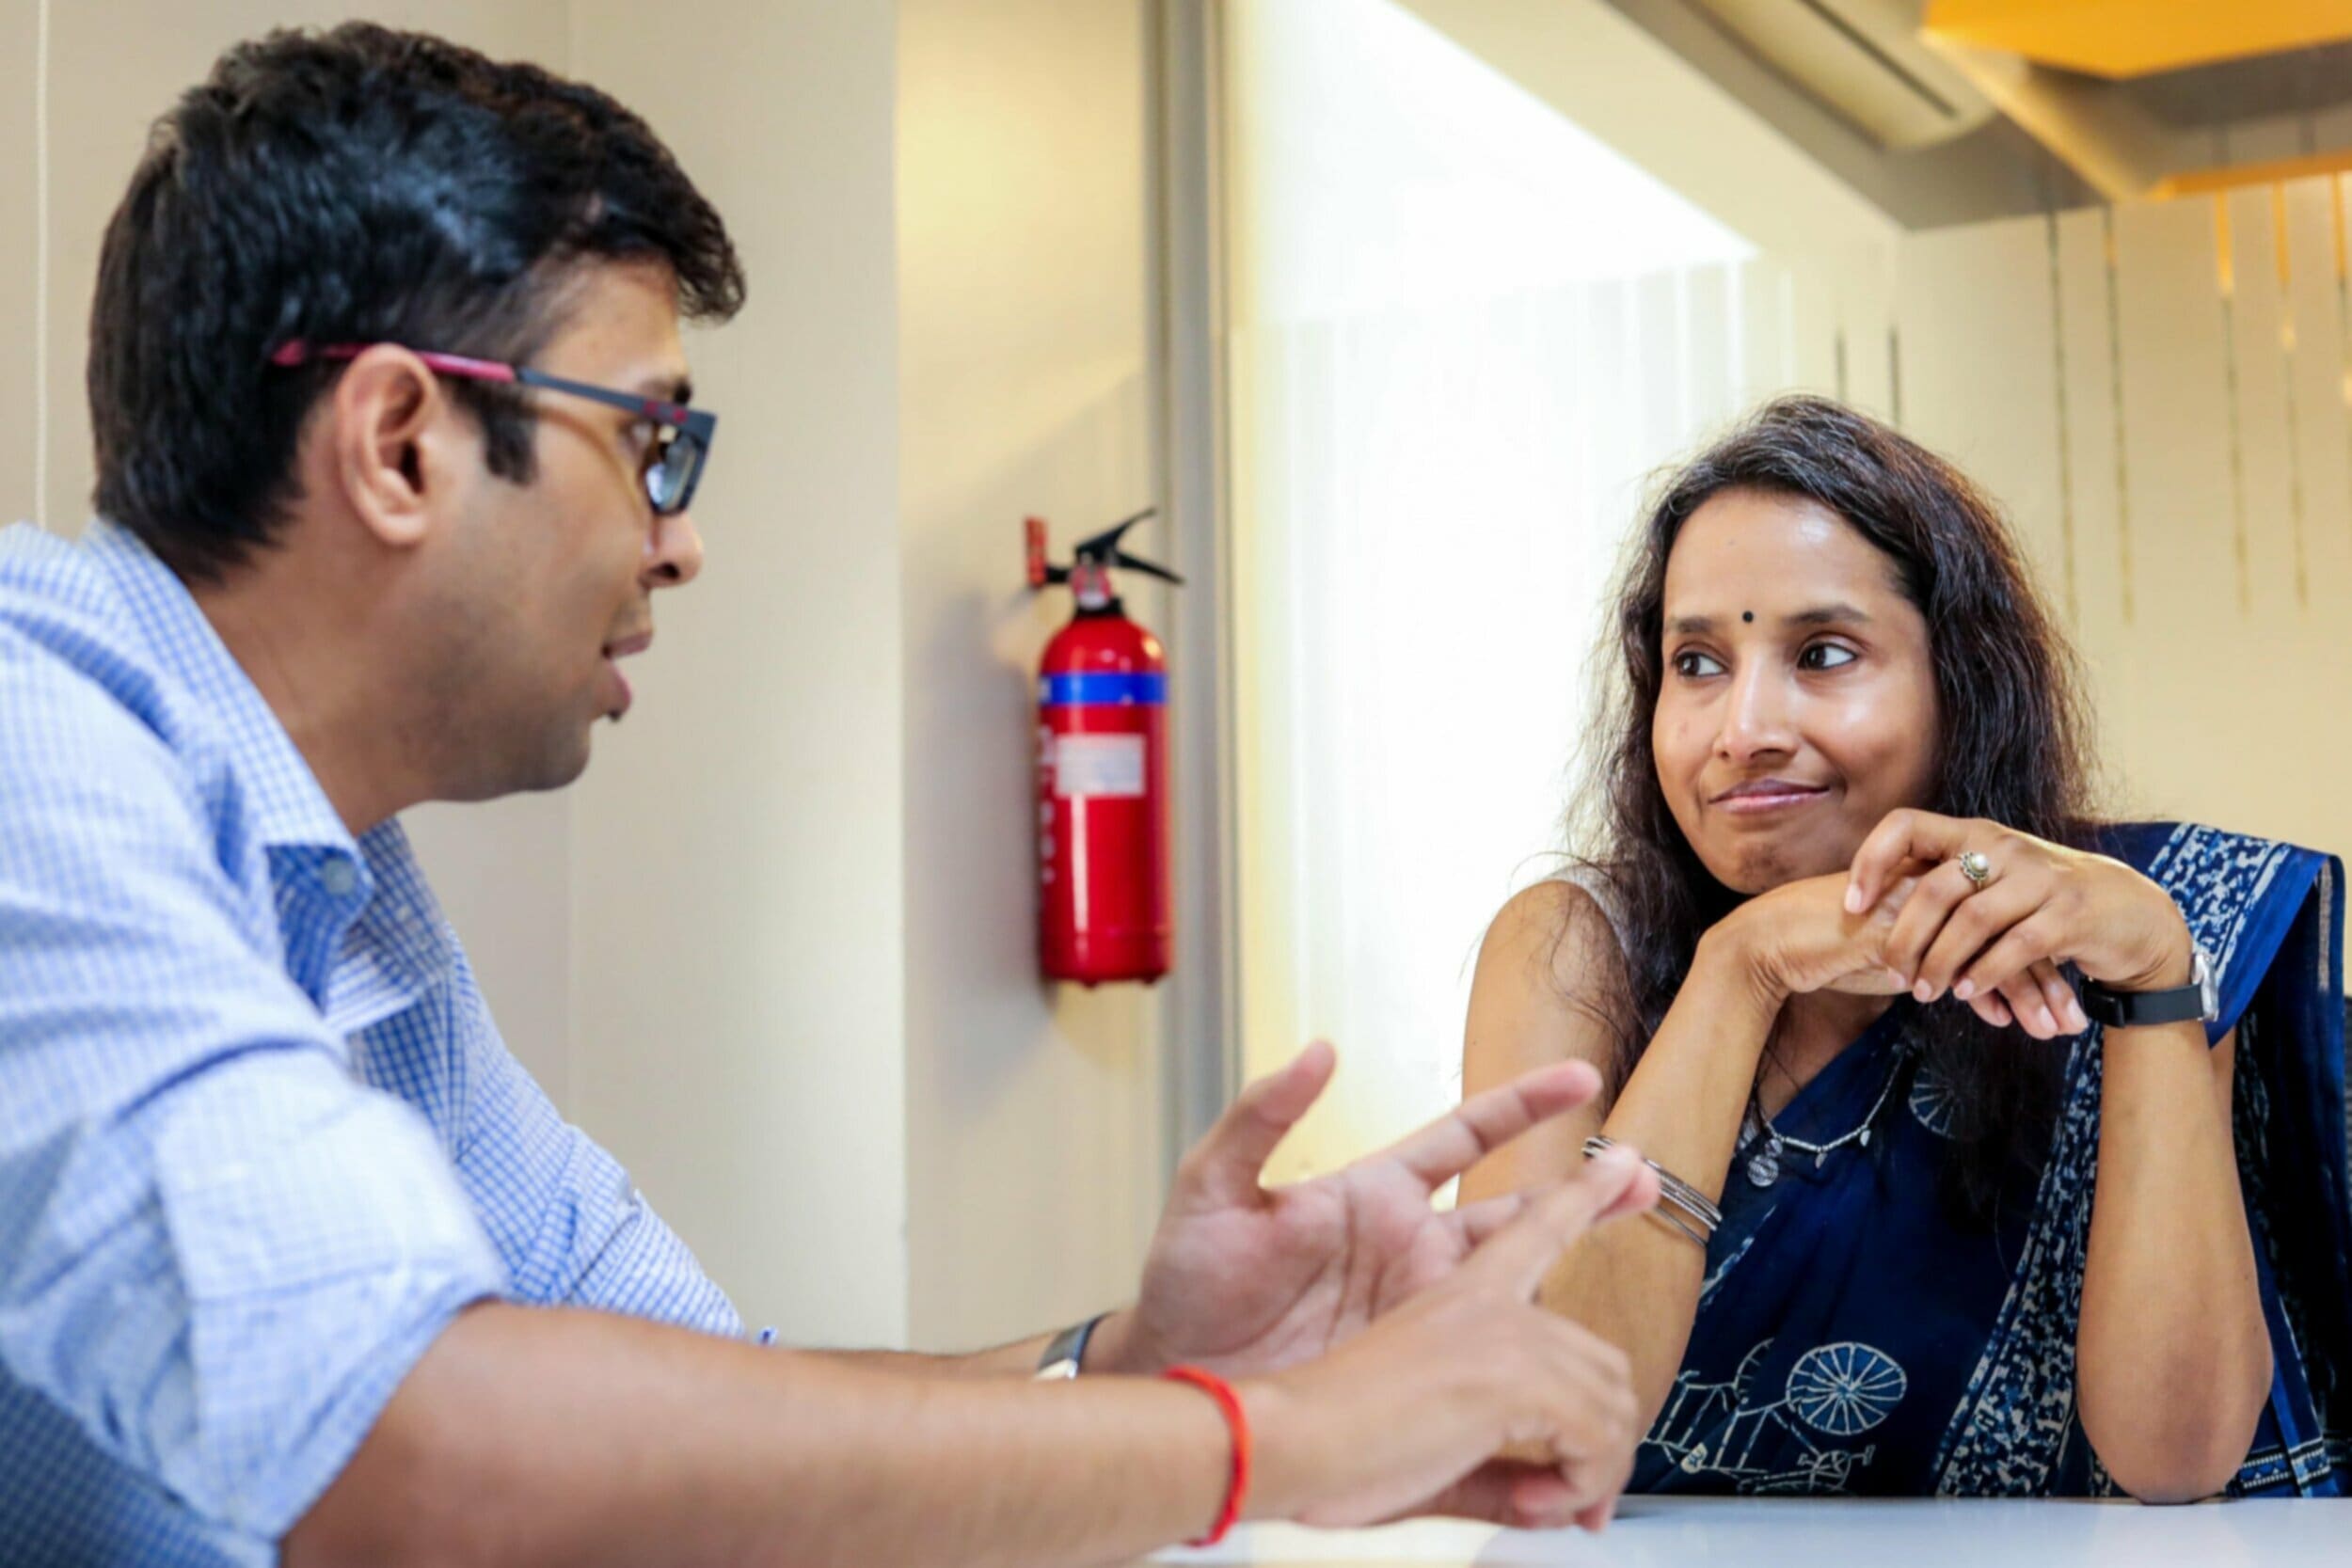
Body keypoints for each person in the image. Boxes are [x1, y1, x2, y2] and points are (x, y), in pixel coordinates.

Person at [0, 24, 1663, 1566]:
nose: (683, 536)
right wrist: (1276, 1438)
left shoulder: (337, 877)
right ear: (400, 443)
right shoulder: (32, 735)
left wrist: (1148, 1363)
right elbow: (420, 1443)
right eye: (651, 444)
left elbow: (699, 1405)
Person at [1460, 395, 2348, 1502]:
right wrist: (1740, 969)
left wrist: (2161, 978)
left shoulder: (2119, 935)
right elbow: (1526, 1425)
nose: (1743, 728)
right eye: (1696, 662)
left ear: (1959, 684)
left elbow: (2176, 1458)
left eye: (1822, 652)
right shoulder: (1573, 948)